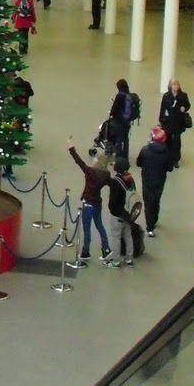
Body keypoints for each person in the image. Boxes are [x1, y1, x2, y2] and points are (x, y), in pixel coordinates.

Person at [67, 137, 114, 265]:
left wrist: (71, 147)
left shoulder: (89, 172)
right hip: (97, 203)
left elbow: (78, 161)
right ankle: (106, 249)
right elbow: (113, 185)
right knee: (100, 226)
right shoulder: (105, 175)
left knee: (87, 229)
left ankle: (85, 252)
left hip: (88, 204)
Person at [135, 127, 173, 235]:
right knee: (156, 200)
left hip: (147, 180)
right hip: (160, 181)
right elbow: (169, 168)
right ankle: (154, 220)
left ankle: (150, 227)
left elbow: (139, 163)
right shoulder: (166, 152)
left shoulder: (145, 150)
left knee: (148, 203)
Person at [106, 161, 138, 266]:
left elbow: (113, 201)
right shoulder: (130, 178)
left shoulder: (115, 181)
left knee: (116, 238)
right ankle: (129, 258)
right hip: (128, 213)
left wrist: (111, 209)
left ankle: (116, 261)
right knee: (128, 235)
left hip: (117, 214)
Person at [159, 79, 192, 166]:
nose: (176, 87)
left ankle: (176, 159)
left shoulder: (183, 95)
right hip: (168, 121)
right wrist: (161, 119)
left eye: (177, 85)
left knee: (177, 141)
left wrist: (184, 108)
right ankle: (168, 157)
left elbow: (188, 105)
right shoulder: (166, 96)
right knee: (168, 139)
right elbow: (162, 108)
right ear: (170, 86)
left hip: (178, 121)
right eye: (174, 85)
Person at [106, 79, 140, 163]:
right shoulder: (130, 95)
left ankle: (119, 158)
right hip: (127, 121)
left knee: (119, 139)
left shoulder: (120, 95)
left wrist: (111, 113)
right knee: (125, 139)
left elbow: (115, 108)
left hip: (119, 121)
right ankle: (125, 157)